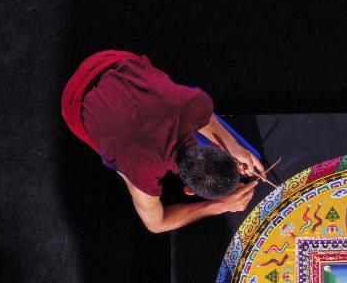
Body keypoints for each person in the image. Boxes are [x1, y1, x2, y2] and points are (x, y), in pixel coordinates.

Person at [62, 50, 265, 232]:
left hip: (107, 62)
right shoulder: (141, 172)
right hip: (75, 102)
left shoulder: (195, 105)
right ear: (188, 190)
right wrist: (219, 206)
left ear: (216, 146)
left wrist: (233, 146)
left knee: (172, 101)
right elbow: (156, 224)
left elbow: (204, 118)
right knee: (122, 161)